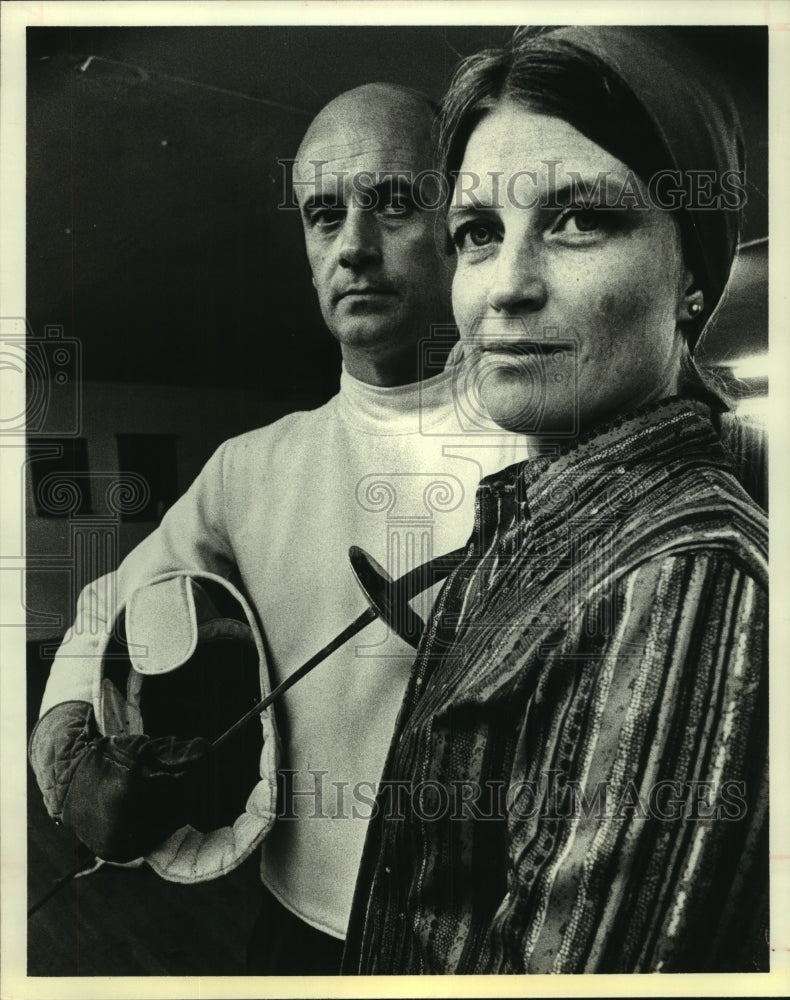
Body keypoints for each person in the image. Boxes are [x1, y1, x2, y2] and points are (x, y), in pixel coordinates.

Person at [28, 83, 527, 974]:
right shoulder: (249, 468)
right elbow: (102, 608)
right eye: (324, 216)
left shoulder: (549, 445)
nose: (354, 248)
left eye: (394, 204)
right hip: (295, 932)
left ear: (458, 224)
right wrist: (72, 767)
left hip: (498, 947)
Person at [342, 28, 768, 975]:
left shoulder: (682, 578)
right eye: (478, 234)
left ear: (692, 274)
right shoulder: (538, 518)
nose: (507, 288)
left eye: (580, 221)